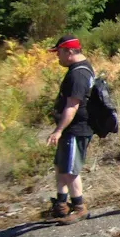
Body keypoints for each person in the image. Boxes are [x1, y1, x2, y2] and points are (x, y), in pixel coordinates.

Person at [46, 35, 95, 224]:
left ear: (70, 51)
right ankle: (61, 204)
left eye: (59, 53)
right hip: (71, 128)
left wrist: (58, 130)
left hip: (76, 128)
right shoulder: (77, 70)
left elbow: (72, 106)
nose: (57, 57)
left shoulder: (78, 74)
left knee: (70, 170)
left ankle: (79, 208)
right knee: (61, 165)